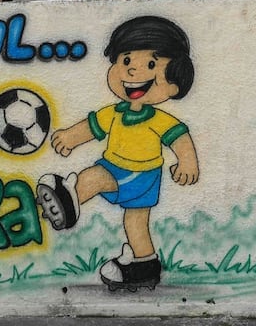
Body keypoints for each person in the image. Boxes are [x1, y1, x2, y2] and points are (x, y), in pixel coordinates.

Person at [35, 15, 199, 292]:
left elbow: (179, 137)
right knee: (129, 216)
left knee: (101, 185)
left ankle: (68, 201)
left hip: (141, 173)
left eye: (150, 64)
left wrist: (188, 162)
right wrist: (70, 138)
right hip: (123, 169)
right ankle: (144, 265)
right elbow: (91, 126)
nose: (133, 71)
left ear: (175, 82)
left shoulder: (158, 119)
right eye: (125, 61)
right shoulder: (114, 113)